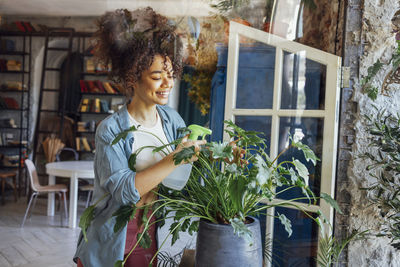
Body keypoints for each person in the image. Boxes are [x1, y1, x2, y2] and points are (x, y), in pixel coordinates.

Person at [73, 7, 206, 267]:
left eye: (170, 74)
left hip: (158, 227)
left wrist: (219, 155)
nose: (167, 83)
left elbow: (188, 163)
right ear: (132, 78)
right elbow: (124, 192)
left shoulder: (173, 120)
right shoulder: (110, 129)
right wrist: (175, 159)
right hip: (118, 231)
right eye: (157, 76)